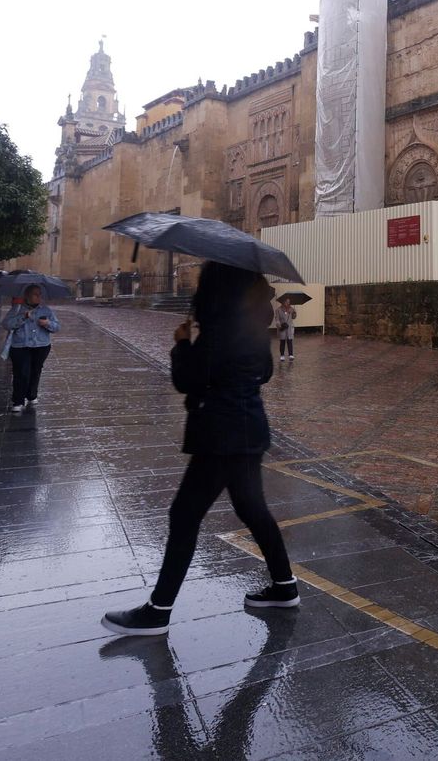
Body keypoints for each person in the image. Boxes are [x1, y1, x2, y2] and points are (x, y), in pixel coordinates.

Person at [102, 261, 299, 637]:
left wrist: (182, 344)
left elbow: (187, 380)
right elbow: (266, 372)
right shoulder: (254, 329)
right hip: (249, 428)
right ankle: (284, 586)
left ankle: (157, 611)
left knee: (185, 514)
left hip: (220, 433)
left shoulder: (220, 332)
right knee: (252, 508)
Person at [2, 285, 59, 413]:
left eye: (40, 294)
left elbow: (57, 327)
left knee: (35, 371)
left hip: (41, 346)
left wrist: (48, 324)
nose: (39, 297)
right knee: (21, 372)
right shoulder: (17, 309)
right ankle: (18, 400)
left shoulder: (46, 310)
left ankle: (32, 395)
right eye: (35, 294)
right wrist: (23, 317)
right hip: (20, 346)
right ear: (27, 296)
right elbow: (6, 324)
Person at [272, 296, 296, 363]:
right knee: (282, 342)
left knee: (290, 341)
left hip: (289, 328)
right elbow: (277, 319)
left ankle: (291, 355)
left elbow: (294, 317)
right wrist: (279, 326)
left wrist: (294, 313)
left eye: (289, 302)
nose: (288, 303)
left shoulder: (291, 309)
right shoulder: (278, 310)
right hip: (282, 328)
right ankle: (282, 355)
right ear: (283, 302)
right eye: (286, 301)